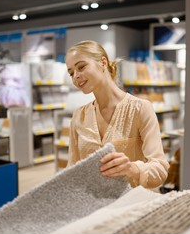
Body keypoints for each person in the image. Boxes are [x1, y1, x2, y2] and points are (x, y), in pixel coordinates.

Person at [65, 40, 169, 189]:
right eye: (71, 73)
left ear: (103, 63)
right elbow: (72, 169)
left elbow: (160, 169)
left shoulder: (140, 109)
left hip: (133, 206)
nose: (76, 76)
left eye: (81, 67)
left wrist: (131, 169)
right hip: (94, 206)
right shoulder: (79, 116)